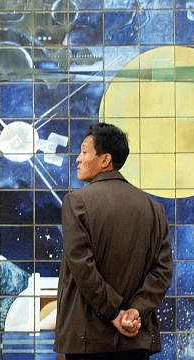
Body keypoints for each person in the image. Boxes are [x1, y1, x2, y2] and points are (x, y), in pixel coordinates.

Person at [54, 123, 173, 360]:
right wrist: (135, 312)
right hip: (136, 340)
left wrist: (114, 313)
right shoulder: (153, 208)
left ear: (105, 159)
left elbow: (82, 266)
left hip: (87, 341)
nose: (78, 159)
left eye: (84, 152)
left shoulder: (76, 203)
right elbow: (162, 271)